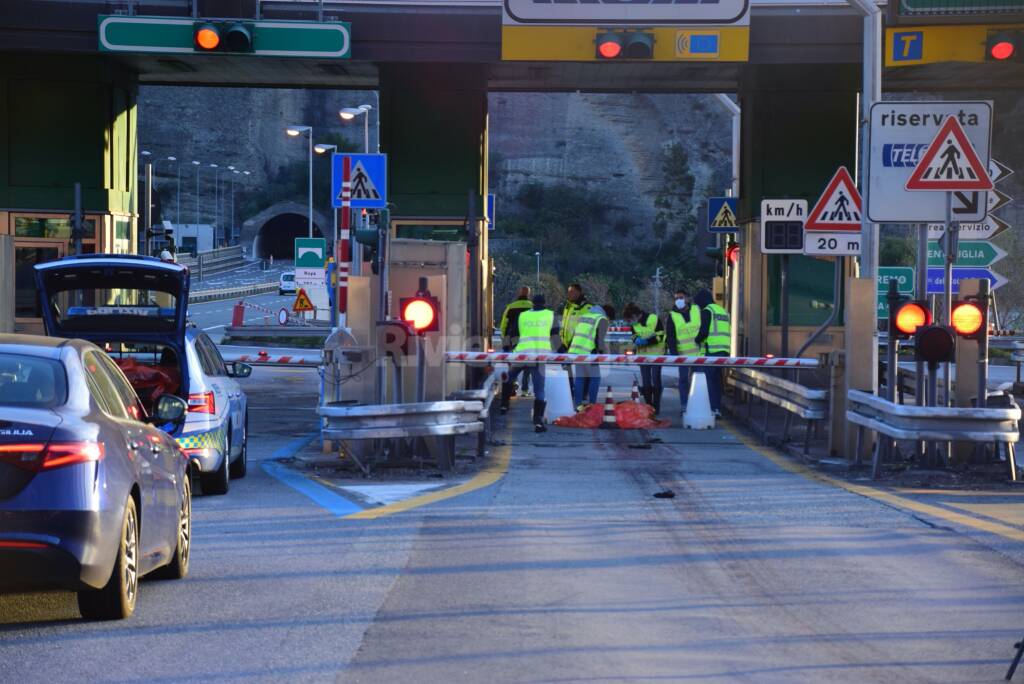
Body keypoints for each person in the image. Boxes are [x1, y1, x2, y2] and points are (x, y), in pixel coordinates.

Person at [501, 294, 560, 432]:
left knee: (509, 377)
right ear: (544, 303)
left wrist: (508, 348)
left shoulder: (523, 316)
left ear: (532, 304)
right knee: (539, 389)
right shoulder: (551, 315)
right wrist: (563, 352)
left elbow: (513, 333)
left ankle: (504, 405)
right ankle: (538, 421)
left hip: (522, 354)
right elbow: (555, 337)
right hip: (539, 357)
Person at [623, 302, 666, 415]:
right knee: (646, 380)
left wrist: (647, 341)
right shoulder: (634, 324)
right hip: (643, 354)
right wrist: (636, 340)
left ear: (636, 315)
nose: (630, 323)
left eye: (630, 320)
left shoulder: (653, 319)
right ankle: (648, 406)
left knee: (656, 380)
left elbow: (661, 335)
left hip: (657, 353)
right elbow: (634, 335)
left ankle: (656, 407)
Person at [568, 303, 614, 408]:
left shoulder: (584, 316)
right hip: (589, 352)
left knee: (580, 378)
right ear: (608, 315)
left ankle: (578, 405)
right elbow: (599, 339)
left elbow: (576, 333)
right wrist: (601, 353)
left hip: (576, 351)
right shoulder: (602, 319)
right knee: (595, 378)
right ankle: (592, 404)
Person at [694, 288, 731, 417]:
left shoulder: (707, 311)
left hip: (712, 351)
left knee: (708, 380)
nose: (699, 307)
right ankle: (716, 409)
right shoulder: (723, 311)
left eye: (698, 304)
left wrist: (696, 340)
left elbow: (704, 332)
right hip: (724, 350)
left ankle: (709, 409)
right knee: (716, 381)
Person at [665, 287, 701, 416]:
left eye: (681, 298)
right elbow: (670, 335)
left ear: (687, 298)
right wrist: (674, 352)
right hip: (683, 354)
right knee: (683, 380)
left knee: (699, 381)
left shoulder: (697, 310)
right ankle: (684, 406)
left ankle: (698, 404)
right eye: (676, 298)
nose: (678, 300)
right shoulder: (672, 315)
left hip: (699, 354)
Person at [499, 287, 534, 400]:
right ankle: (524, 389)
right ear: (529, 294)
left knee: (513, 363)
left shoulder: (511, 306)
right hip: (528, 339)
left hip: (513, 338)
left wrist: (504, 338)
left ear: (518, 293)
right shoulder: (532, 307)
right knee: (527, 364)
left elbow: (504, 324)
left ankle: (512, 387)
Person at [560, 283, 590, 401]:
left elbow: (585, 326)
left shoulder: (585, 307)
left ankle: (583, 393)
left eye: (572, 291)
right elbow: (564, 325)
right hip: (566, 344)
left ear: (579, 292)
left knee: (582, 371)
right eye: (568, 291)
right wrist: (562, 341)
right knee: (566, 369)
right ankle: (570, 390)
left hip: (579, 344)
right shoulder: (568, 306)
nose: (569, 294)